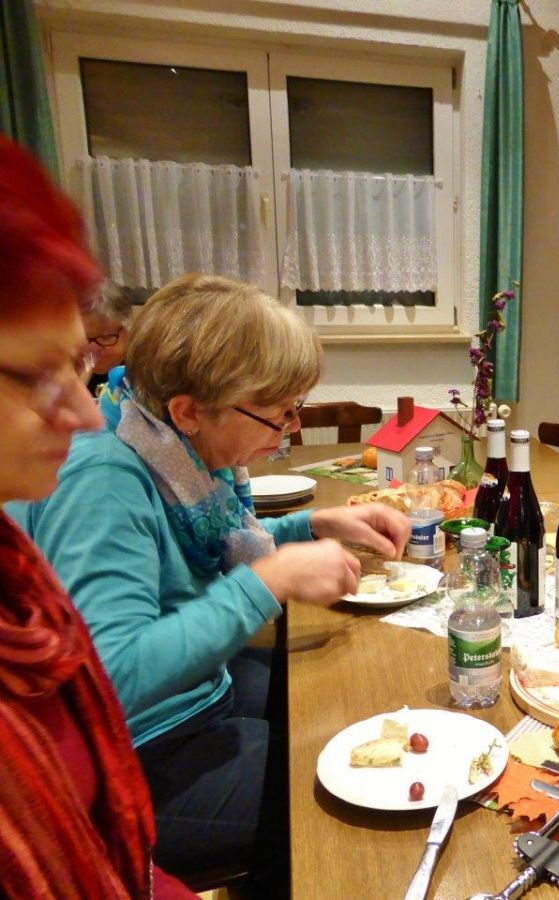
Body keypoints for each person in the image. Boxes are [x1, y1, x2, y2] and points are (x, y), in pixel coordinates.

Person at [8, 272, 412, 889]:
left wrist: (312, 524)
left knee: (337, 701)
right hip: (134, 755)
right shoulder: (103, 480)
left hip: (191, 700)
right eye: (278, 413)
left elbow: (212, 541)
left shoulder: (160, 444)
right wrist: (269, 581)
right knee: (341, 786)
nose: (290, 428)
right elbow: (109, 678)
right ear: (189, 412)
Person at [0, 136, 195, 897]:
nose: (87, 414)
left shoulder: (16, 579)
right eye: (37, 375)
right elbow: (123, 665)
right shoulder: (103, 474)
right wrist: (266, 582)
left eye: (78, 366)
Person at [84, 280, 132, 395]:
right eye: (84, 338)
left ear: (129, 330)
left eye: (105, 337)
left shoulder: (145, 368)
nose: (93, 349)